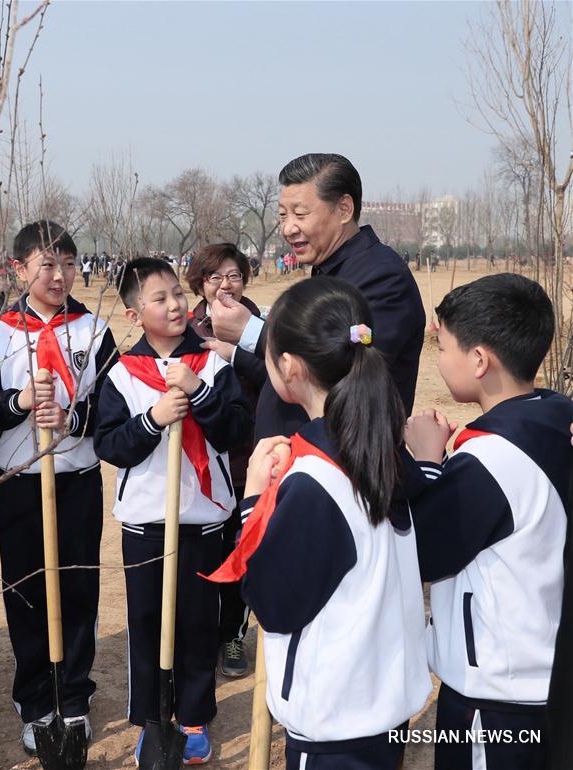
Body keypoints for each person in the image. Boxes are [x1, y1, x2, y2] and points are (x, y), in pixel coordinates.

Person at [210, 276, 431, 770]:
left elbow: (274, 604)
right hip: (380, 707)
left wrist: (253, 500)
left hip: (335, 725)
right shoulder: (381, 448)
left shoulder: (316, 480)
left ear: (287, 367)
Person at [403, 273, 572, 770]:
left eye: (444, 347)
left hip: (495, 696)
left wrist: (427, 463)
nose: (439, 360)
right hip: (543, 675)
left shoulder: (492, 461)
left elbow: (425, 550)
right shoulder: (554, 418)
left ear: (479, 361)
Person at [94, 257, 252, 766]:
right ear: (134, 314)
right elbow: (111, 445)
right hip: (145, 523)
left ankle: (193, 714)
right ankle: (152, 718)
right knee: (146, 621)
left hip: (204, 521)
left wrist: (197, 391)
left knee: (197, 622)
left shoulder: (215, 363)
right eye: (159, 299)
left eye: (177, 295)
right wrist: (155, 417)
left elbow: (233, 431)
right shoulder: (121, 373)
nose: (175, 305)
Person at [0, 221, 117, 756]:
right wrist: (17, 403)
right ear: (19, 269)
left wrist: (75, 419)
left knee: (79, 587)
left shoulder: (95, 331)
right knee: (25, 591)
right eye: (47, 265)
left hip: (77, 480)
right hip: (20, 482)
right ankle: (34, 698)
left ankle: (74, 693)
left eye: (68, 264)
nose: (60, 275)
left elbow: (112, 408)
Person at [207, 153, 425, 442]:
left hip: (341, 467)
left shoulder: (382, 277)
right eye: (283, 215)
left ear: (344, 209)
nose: (287, 228)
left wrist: (252, 332)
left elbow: (350, 366)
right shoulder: (329, 270)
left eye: (300, 214)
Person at [184, 243, 262, 678]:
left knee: (242, 550)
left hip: (247, 456)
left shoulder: (262, 325)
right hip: (203, 461)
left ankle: (233, 635)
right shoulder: (188, 327)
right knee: (204, 553)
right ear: (201, 283)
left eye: (233, 275)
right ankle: (201, 635)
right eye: (215, 277)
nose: (225, 284)